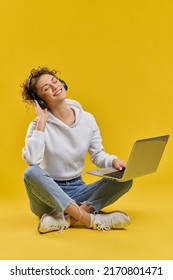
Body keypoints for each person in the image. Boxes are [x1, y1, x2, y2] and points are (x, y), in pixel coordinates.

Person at [21, 66, 133, 234]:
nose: (54, 87)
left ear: (62, 83)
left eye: (55, 81)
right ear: (40, 100)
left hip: (78, 190)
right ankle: (90, 219)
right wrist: (42, 123)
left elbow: (98, 154)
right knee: (31, 173)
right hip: (47, 196)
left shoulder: (87, 119)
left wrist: (114, 161)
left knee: (126, 178)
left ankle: (68, 219)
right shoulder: (38, 126)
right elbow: (33, 161)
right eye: (46, 88)